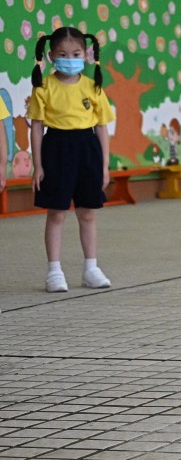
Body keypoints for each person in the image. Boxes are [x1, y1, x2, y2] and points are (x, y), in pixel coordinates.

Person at [27, 27, 116, 292]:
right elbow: (36, 126)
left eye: (76, 53)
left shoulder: (93, 87)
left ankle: (91, 268)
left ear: (86, 55)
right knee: (56, 213)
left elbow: (102, 127)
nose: (70, 58)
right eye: (63, 53)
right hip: (56, 148)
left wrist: (105, 165)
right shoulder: (43, 87)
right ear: (51, 56)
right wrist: (38, 165)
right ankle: (54, 271)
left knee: (87, 213)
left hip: (87, 150)